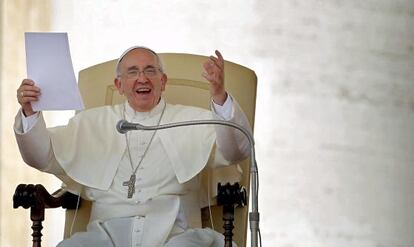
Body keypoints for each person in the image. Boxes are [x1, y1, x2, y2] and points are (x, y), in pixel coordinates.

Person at [14, 47, 251, 247]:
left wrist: (219, 95)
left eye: (150, 71)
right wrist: (29, 111)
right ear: (119, 85)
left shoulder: (194, 120)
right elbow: (42, 156)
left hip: (175, 234)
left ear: (163, 81)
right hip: (105, 235)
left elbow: (236, 150)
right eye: (132, 72)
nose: (142, 78)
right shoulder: (91, 123)